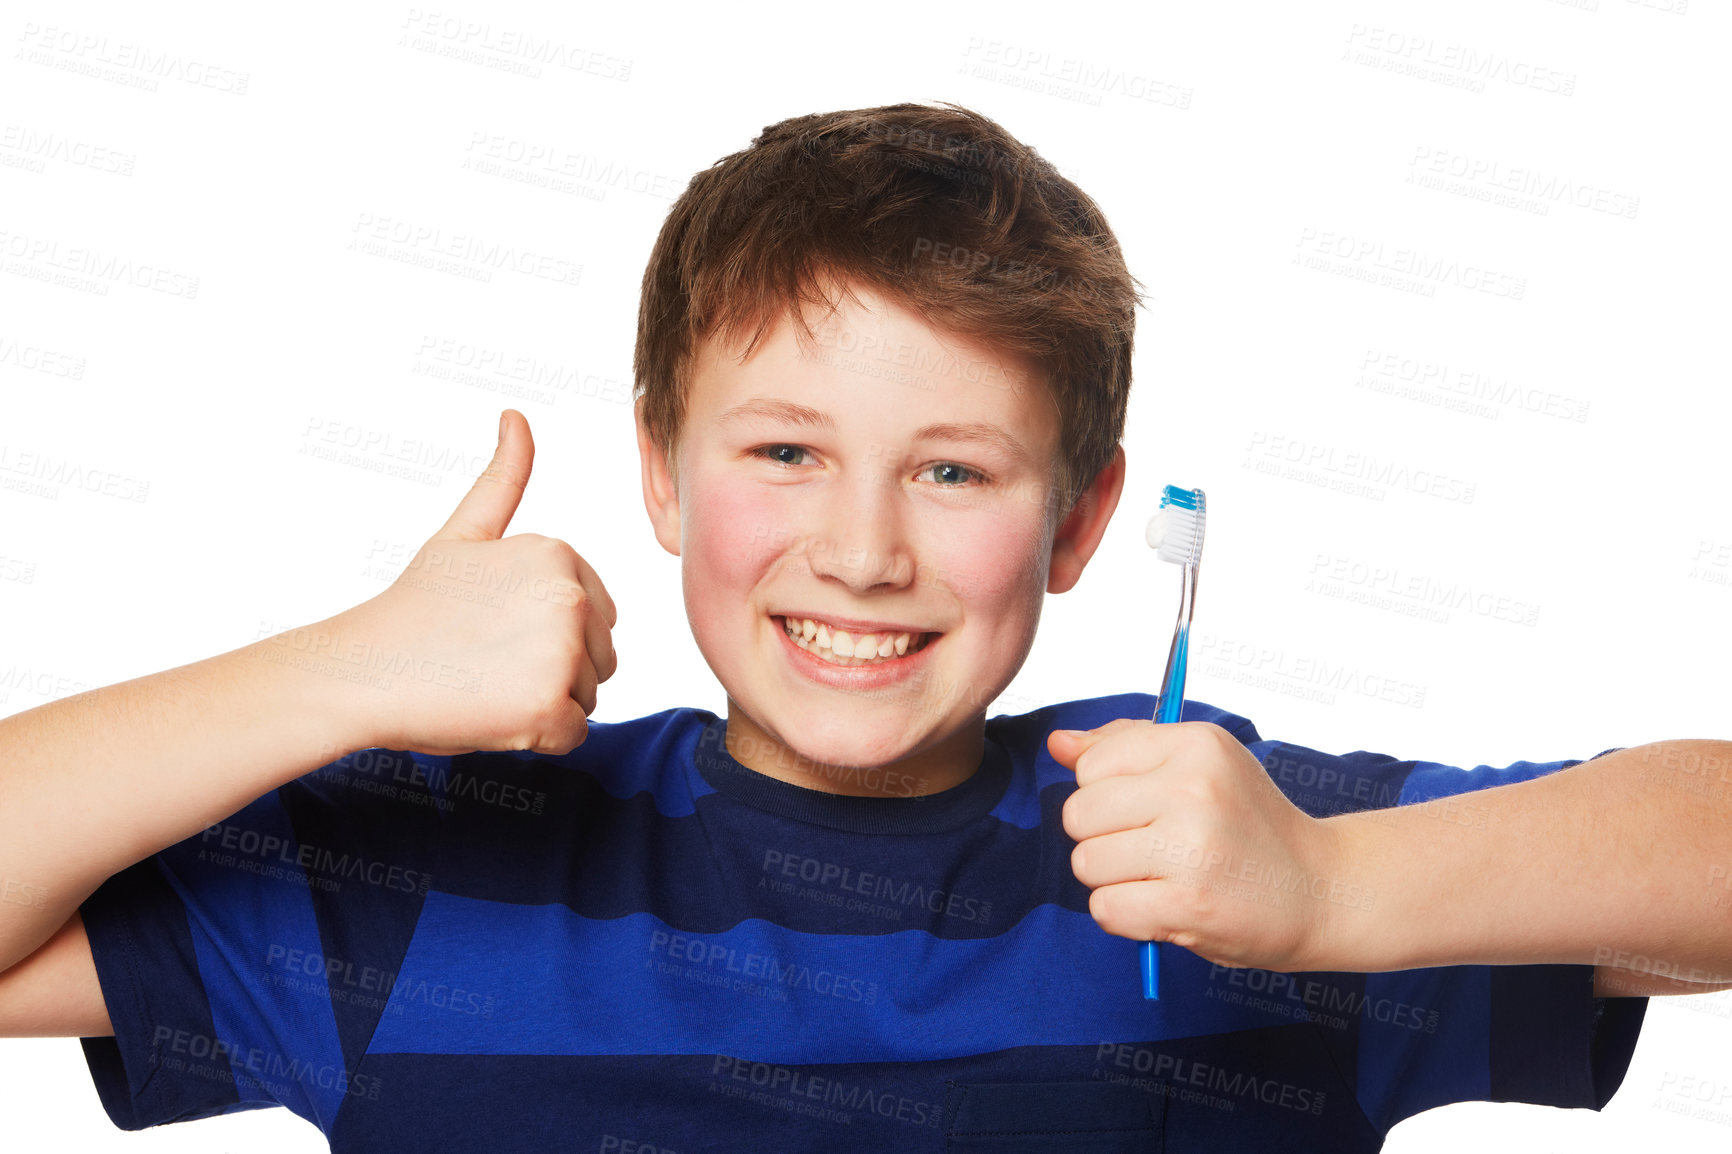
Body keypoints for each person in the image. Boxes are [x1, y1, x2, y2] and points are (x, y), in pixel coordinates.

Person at [0, 101, 1725, 1152]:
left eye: (956, 471)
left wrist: (1343, 892)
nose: (863, 548)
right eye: (784, 452)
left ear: (1083, 522)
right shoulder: (423, 873)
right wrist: (339, 673)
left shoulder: (1216, 841)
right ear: (661, 474)